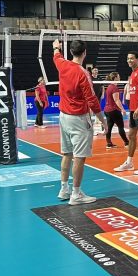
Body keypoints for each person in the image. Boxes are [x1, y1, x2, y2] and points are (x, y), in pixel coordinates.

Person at [52, 39, 105, 205]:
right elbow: (92, 100)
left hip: (63, 117)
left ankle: (64, 189)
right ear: (85, 53)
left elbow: (56, 55)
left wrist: (56, 47)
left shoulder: (62, 64)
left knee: (67, 154)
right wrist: (102, 120)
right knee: (79, 157)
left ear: (71, 52)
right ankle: (76, 194)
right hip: (78, 119)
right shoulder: (83, 73)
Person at [104, 72, 129, 149]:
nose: (119, 78)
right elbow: (117, 100)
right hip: (114, 110)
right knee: (120, 127)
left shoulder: (109, 87)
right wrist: (122, 109)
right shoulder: (114, 88)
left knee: (109, 127)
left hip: (107, 110)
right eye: (118, 76)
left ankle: (108, 143)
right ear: (115, 78)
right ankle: (127, 143)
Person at [90, 67, 105, 135]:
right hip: (92, 96)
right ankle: (90, 120)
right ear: (92, 71)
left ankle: (97, 120)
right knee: (91, 108)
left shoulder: (100, 78)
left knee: (98, 108)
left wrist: (103, 94)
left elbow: (102, 87)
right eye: (94, 70)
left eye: (97, 70)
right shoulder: (90, 78)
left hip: (98, 96)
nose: (96, 71)